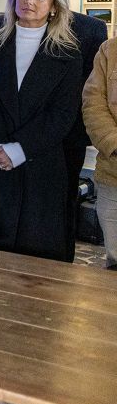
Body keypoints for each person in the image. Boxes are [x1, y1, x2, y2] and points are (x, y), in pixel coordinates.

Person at [0, 0, 106, 261]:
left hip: (63, 138)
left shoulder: (89, 29)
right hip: (3, 140)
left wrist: (32, 142)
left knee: (55, 215)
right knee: (1, 218)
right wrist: (2, 143)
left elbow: (86, 91)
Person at [0, 0, 82, 261]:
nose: (29, 1)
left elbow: (62, 113)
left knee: (36, 266)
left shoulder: (68, 54)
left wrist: (19, 149)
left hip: (39, 166)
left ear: (54, 6)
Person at [82, 37, 117, 269]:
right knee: (115, 260)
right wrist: (114, 144)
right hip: (113, 176)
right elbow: (93, 104)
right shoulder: (109, 51)